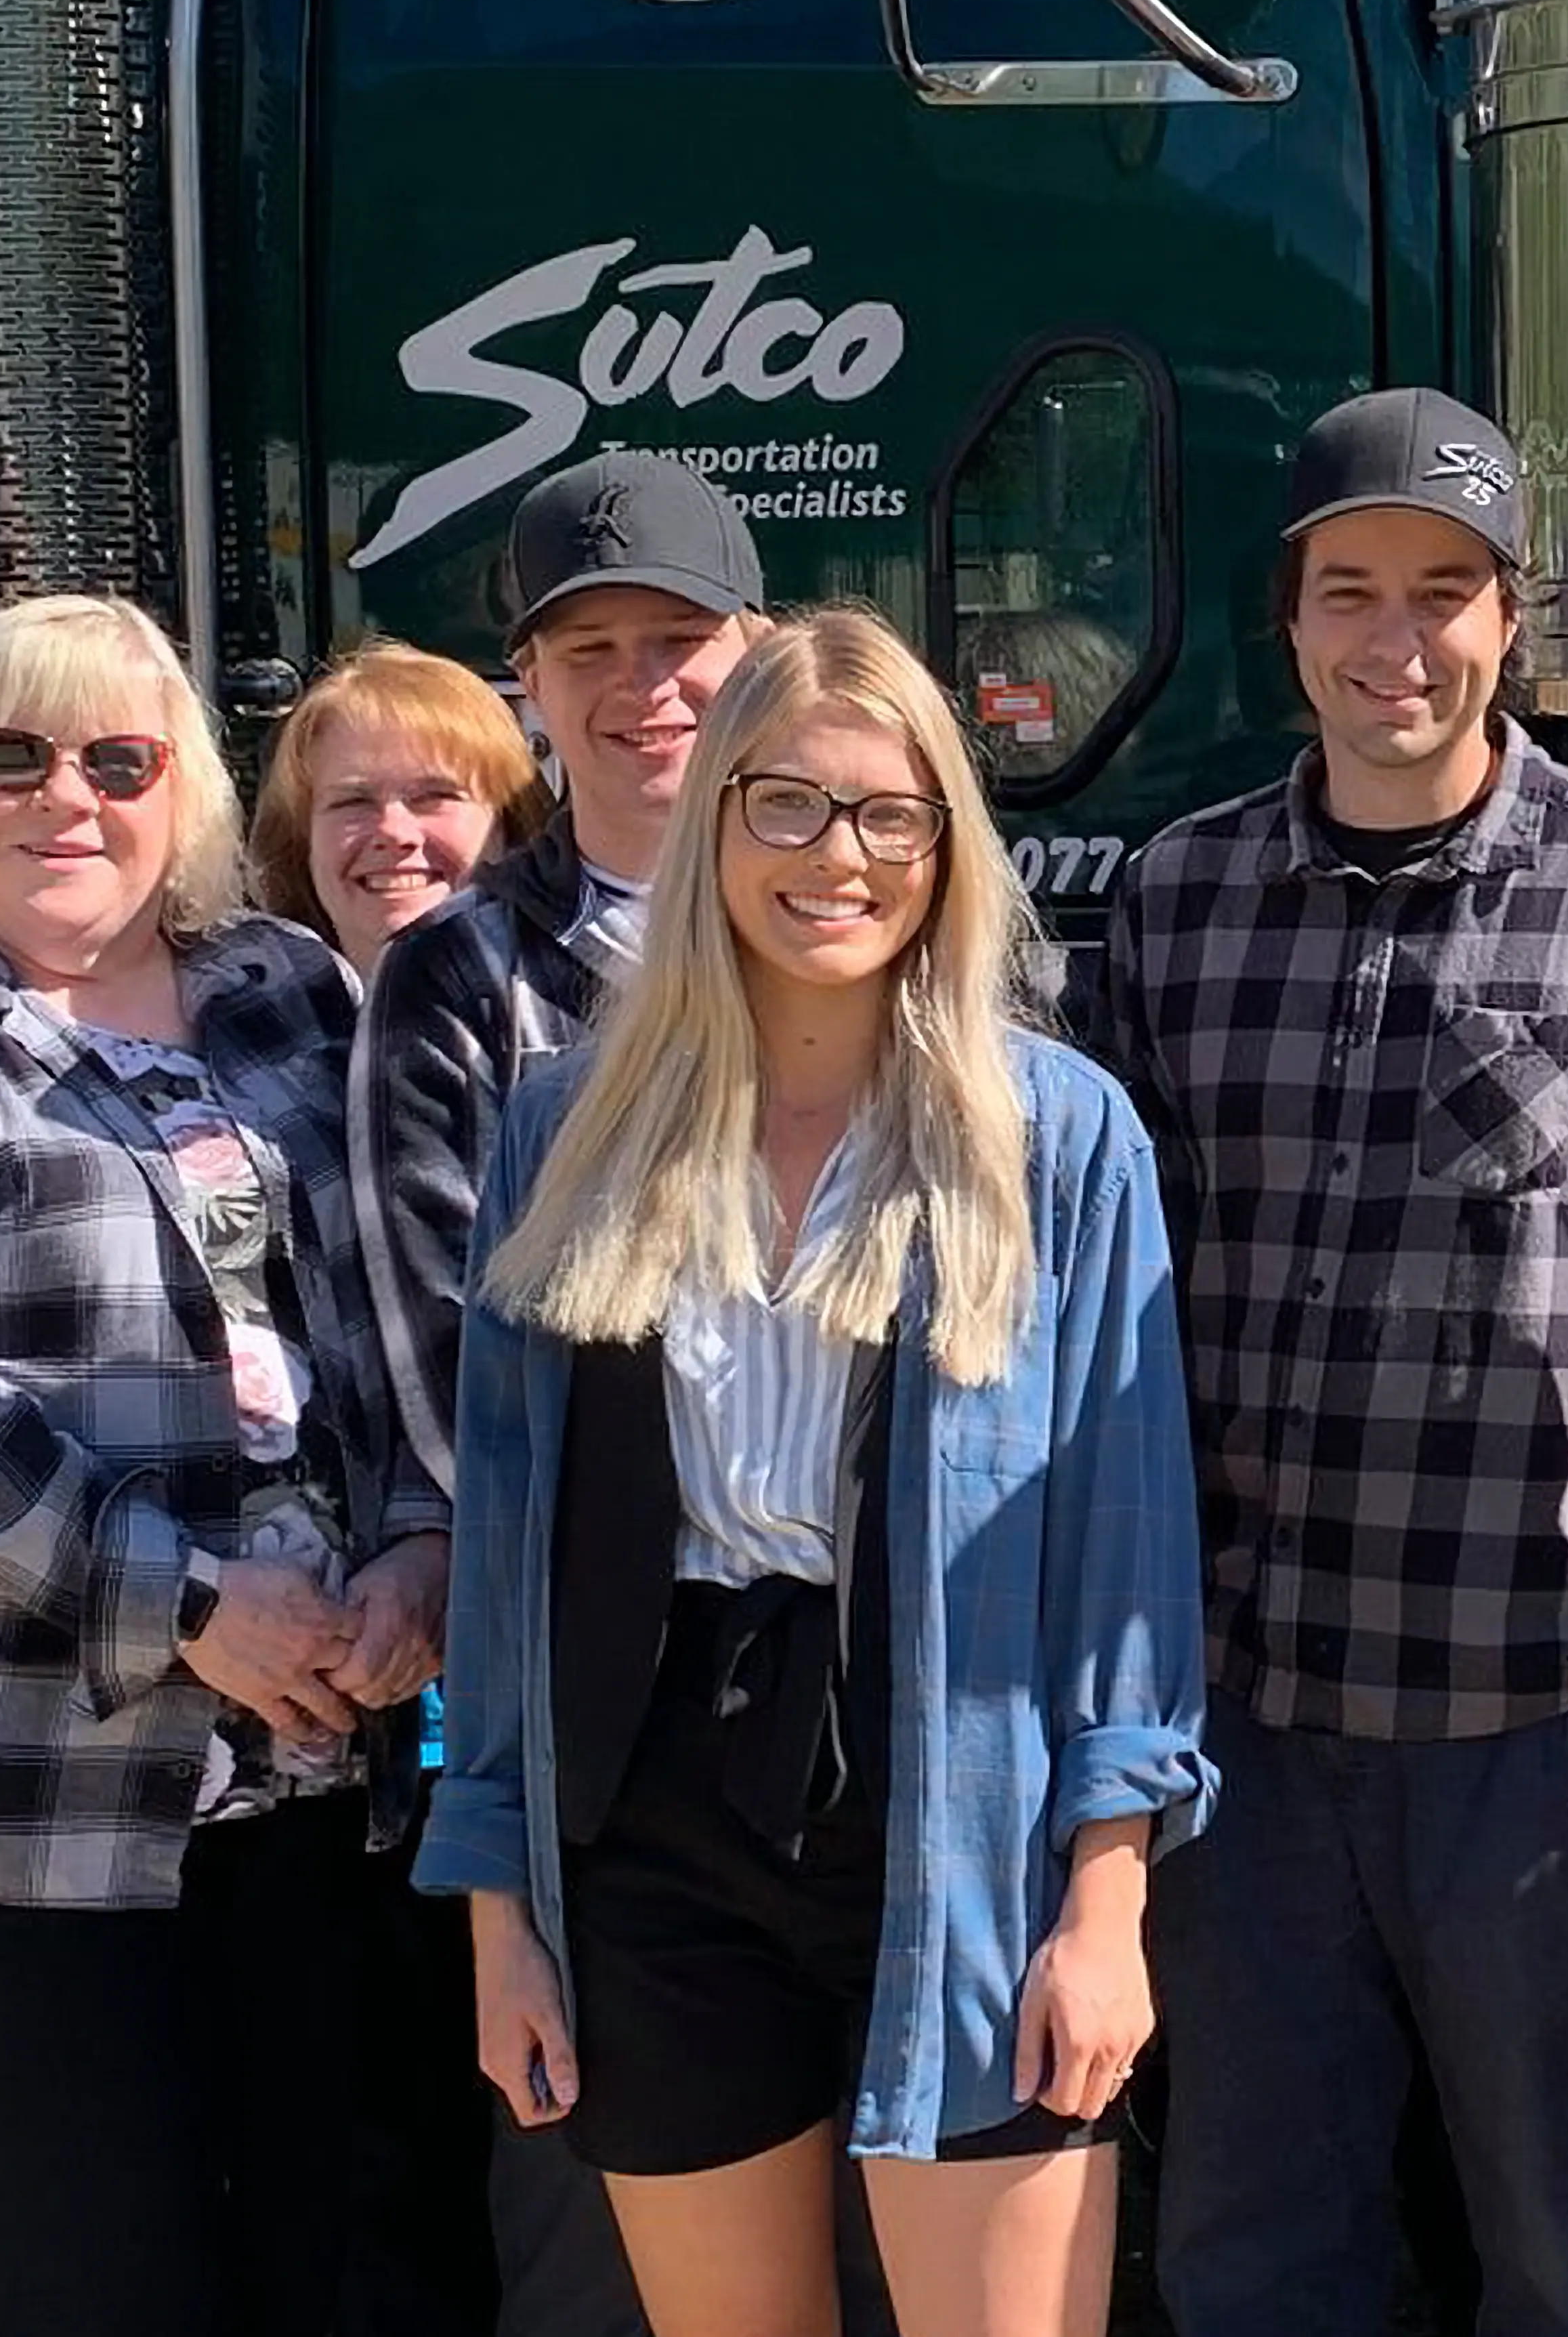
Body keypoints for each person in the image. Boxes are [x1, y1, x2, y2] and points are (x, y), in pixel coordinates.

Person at [420, 606, 1212, 2337]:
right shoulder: (570, 1132)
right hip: (654, 1809)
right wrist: (499, 1910)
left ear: (945, 844)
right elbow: (505, 1557)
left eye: (887, 813)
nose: (834, 855)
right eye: (783, 802)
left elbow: (1127, 1553)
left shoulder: (1054, 1137)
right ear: (709, 819)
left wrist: (1108, 1897)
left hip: (963, 1804)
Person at [1100, 383, 1568, 2337]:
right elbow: (1106, 1312)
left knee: (1565, 2252)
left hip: (1533, 1724)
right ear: (1290, 616)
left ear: (1513, 619)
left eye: (1444, 592)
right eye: (1351, 593)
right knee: (1255, 2246)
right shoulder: (1176, 903)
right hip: (1242, 1716)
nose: (1394, 641)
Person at [0, 592, 446, 2337]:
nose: (70, 796)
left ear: (179, 784)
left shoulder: (281, 983)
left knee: (327, 2251)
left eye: (119, 758)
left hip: (322, 1758)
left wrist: (420, 1535)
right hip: (34, 1789)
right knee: (98, 2269)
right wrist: (192, 1600)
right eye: (15, 754)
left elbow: (391, 1301)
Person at [351, 451, 778, 2337]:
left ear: (758, 654)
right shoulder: (460, 983)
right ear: (526, 682)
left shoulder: (885, 922)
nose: (641, 687)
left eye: (681, 640)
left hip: (856, 1696)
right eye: (589, 646)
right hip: (592, 1710)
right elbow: (449, 1383)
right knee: (595, 2226)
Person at [252, 641, 551, 979]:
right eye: (354, 801)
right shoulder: (237, 1022)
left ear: (510, 826)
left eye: (434, 797)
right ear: (302, 842)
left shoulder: (591, 1021)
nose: (393, 831)